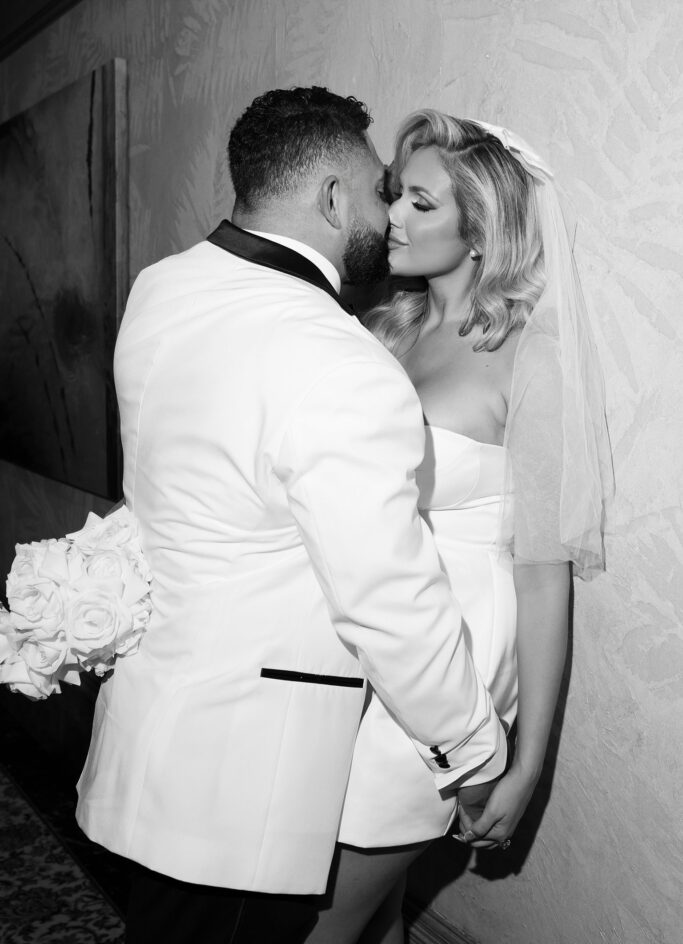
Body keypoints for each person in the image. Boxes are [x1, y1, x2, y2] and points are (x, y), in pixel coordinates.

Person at [75, 88, 509, 944]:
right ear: (332, 198)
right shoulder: (338, 359)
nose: (387, 213)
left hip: (153, 732)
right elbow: (383, 595)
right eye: (382, 190)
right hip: (247, 783)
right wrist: (473, 752)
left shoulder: (161, 287)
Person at [307, 112, 613, 944]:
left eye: (419, 203)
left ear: (479, 231)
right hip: (364, 640)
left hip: (457, 662)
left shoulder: (526, 355)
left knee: (326, 917)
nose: (391, 217)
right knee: (371, 912)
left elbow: (543, 572)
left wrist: (525, 766)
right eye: (392, 195)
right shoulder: (386, 332)